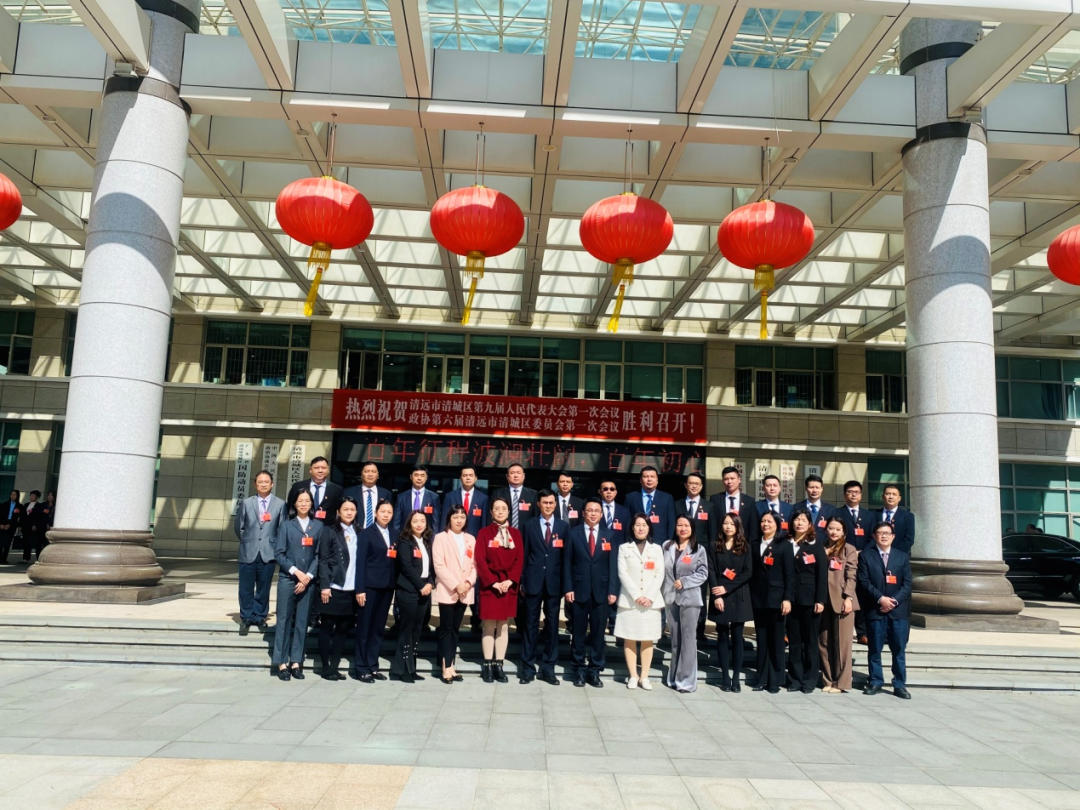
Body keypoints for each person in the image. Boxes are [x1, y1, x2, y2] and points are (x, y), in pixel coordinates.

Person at [564, 498, 618, 687]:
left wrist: (612, 590)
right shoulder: (573, 533)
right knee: (578, 632)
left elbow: (613, 565)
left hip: (601, 592)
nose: (593, 513)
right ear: (583, 513)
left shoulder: (609, 535)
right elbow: (567, 563)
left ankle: (595, 669)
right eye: (590, 510)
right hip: (578, 590)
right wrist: (568, 588)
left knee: (598, 633)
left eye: (597, 511)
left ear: (601, 515)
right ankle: (579, 669)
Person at [857, 521, 912, 699]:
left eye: (887, 533)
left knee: (898, 650)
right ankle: (875, 681)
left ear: (893, 536)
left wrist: (893, 601)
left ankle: (899, 684)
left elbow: (907, 584)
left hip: (898, 612)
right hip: (875, 609)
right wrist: (881, 599)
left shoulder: (902, 557)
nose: (884, 536)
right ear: (874, 536)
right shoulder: (866, 556)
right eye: (880, 533)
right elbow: (864, 581)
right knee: (875, 649)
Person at [272, 489, 323, 681]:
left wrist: (307, 576)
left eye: (307, 501)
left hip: (308, 581)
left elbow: (319, 555)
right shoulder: (286, 525)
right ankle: (281, 662)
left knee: (302, 622)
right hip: (288, 579)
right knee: (284, 620)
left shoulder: (318, 526)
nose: (303, 504)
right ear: (294, 503)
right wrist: (297, 572)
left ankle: (296, 661)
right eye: (300, 501)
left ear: (311, 504)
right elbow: (279, 554)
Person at [519, 489, 568, 685]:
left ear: (555, 505)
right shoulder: (529, 525)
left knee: (552, 626)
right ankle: (527, 668)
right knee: (530, 625)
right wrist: (522, 580)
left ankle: (548, 668)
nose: (548, 506)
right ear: (538, 504)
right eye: (545, 502)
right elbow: (524, 554)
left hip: (554, 583)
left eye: (551, 503)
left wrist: (565, 584)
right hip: (533, 581)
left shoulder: (563, 526)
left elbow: (565, 558)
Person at [475, 496, 523, 683]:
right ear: (491, 512)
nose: (500, 511)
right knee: (488, 625)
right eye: (496, 508)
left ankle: (499, 664)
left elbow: (519, 559)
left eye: (504, 508)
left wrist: (510, 581)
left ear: (509, 511)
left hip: (508, 586)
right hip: (490, 586)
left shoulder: (515, 534)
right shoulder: (484, 533)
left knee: (503, 626)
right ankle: (488, 664)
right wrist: (493, 582)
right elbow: (480, 559)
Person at [233, 470, 286, 634]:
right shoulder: (247, 503)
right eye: (260, 482)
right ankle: (246, 617)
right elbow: (239, 526)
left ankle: (260, 616)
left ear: (272, 484)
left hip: (268, 552)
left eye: (266, 482)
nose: (263, 484)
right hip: (248, 551)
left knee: (264, 587)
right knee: (245, 587)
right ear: (255, 484)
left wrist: (276, 547)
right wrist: (248, 541)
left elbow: (282, 529)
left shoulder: (280, 504)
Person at [615, 514, 664, 689]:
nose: (641, 528)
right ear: (632, 527)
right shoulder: (624, 548)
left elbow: (660, 574)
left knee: (647, 639)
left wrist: (649, 596)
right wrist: (637, 595)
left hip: (651, 602)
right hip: (629, 601)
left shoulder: (657, 549)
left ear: (649, 528)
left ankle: (644, 676)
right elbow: (623, 573)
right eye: (637, 525)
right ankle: (633, 675)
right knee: (629, 638)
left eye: (644, 525)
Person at [662, 515, 709, 693]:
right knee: (675, 640)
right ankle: (674, 677)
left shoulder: (698, 549)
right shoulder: (666, 546)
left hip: (690, 599)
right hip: (671, 598)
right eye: (679, 525)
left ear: (692, 528)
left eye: (686, 525)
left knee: (688, 641)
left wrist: (685, 581)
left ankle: (686, 681)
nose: (683, 528)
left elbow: (703, 573)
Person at [749, 510, 794, 693]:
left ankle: (775, 680)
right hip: (758, 598)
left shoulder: (784, 545)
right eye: (763, 521)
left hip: (777, 598)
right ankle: (761, 678)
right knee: (762, 639)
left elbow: (789, 574)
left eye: (770, 521)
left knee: (776, 640)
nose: (765, 524)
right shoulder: (754, 544)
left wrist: (787, 598)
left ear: (777, 524)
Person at [317, 496, 360, 680]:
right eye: (345, 509)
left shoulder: (359, 531)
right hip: (333, 586)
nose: (349, 512)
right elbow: (323, 559)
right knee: (327, 626)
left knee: (343, 629)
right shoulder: (329, 531)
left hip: (350, 588)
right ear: (338, 512)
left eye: (352, 509)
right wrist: (325, 585)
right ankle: (325, 667)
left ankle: (334, 666)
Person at [352, 499, 396, 682]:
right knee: (364, 628)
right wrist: (360, 589)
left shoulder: (394, 533)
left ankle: (373, 665)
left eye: (389, 512)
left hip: (387, 587)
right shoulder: (366, 534)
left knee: (378, 629)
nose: (386, 515)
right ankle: (361, 667)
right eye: (383, 511)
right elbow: (360, 563)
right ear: (376, 513)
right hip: (369, 588)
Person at [786, 507, 828, 694]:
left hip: (810, 600)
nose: (799, 523)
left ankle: (809, 680)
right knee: (794, 641)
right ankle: (794, 679)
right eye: (797, 519)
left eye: (803, 520)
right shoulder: (786, 543)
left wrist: (820, 600)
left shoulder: (815, 545)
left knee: (810, 641)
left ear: (810, 524)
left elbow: (822, 575)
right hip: (790, 599)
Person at [432, 505, 475, 684]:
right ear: (449, 518)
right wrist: (456, 585)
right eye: (455, 517)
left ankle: (451, 664)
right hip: (448, 590)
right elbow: (439, 565)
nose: (459, 520)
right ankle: (446, 666)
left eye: (462, 517)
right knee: (446, 628)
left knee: (455, 628)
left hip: (464, 591)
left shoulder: (470, 539)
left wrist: (467, 583)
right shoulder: (440, 538)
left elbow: (475, 566)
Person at [709, 512, 752, 692]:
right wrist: (717, 595)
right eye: (725, 523)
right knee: (722, 635)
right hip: (719, 595)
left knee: (737, 637)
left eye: (732, 524)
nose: (728, 527)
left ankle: (736, 678)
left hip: (737, 594)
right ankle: (725, 677)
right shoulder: (714, 545)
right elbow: (711, 571)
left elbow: (748, 572)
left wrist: (727, 588)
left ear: (737, 527)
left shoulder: (745, 546)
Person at [391, 510, 436, 683]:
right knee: (406, 630)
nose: (419, 524)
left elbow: (431, 567)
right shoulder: (405, 541)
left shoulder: (426, 541)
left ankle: (412, 668)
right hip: (409, 590)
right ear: (409, 523)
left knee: (417, 630)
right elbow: (406, 567)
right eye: (415, 521)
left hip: (424, 590)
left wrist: (430, 583)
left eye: (422, 521)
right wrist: (421, 585)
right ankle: (401, 670)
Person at [676, 472, 718, 641]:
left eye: (697, 483)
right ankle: (680, 628)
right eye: (690, 483)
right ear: (686, 485)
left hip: (701, 555)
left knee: (699, 592)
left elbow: (712, 534)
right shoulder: (677, 505)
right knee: (680, 589)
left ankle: (699, 630)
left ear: (701, 486)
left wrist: (710, 556)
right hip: (680, 555)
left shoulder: (709, 507)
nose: (693, 486)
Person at [819, 515, 858, 693]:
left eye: (837, 529)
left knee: (842, 644)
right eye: (831, 528)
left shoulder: (848, 549)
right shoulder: (820, 547)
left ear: (843, 532)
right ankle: (828, 679)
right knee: (824, 641)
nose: (833, 532)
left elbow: (851, 575)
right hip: (822, 600)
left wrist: (849, 597)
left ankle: (841, 683)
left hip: (842, 600)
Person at [838, 479, 873, 644]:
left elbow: (873, 537)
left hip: (864, 560)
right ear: (845, 494)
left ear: (861, 495)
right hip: (843, 558)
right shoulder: (837, 513)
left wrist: (863, 553)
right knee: (844, 591)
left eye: (856, 492)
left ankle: (862, 632)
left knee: (861, 594)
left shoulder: (869, 515)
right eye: (850, 492)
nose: (853, 495)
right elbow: (835, 534)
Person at [625, 466, 676, 544]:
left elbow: (671, 523)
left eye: (652, 477)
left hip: (660, 543)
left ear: (657, 480)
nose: (649, 479)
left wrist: (668, 542)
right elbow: (626, 522)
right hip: (635, 542)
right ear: (640, 480)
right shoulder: (630, 497)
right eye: (646, 477)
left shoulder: (667, 498)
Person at [286, 456, 343, 523]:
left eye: (323, 468)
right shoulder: (298, 487)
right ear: (310, 470)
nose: (320, 471)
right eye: (316, 468)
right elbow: (290, 507)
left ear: (328, 470)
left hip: (326, 527)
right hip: (301, 526)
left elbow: (339, 512)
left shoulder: (336, 490)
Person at [709, 466, 758, 544]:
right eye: (726, 479)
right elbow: (712, 525)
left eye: (732, 478)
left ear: (739, 480)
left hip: (742, 544)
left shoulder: (749, 501)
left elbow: (753, 528)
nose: (729, 482)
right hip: (721, 544)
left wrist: (751, 546)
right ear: (723, 481)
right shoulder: (715, 499)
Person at [392, 465, 441, 539]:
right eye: (416, 475)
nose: (419, 478)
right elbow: (396, 522)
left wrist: (434, 540)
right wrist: (396, 539)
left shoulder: (434, 497)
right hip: (405, 538)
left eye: (422, 475)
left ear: (426, 478)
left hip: (426, 538)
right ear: (411, 477)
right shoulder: (401, 497)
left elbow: (435, 523)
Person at [441, 466, 488, 538]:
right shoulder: (450, 496)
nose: (468, 478)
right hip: (453, 536)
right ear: (460, 478)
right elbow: (444, 520)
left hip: (474, 537)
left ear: (475, 478)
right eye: (465, 475)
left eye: (471, 475)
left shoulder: (483, 498)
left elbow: (484, 523)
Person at [342, 461, 392, 530]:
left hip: (378, 533)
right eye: (367, 471)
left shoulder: (386, 494)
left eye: (373, 472)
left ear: (377, 475)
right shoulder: (349, 492)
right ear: (361, 474)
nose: (370, 474)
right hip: (354, 532)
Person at [493, 463, 537, 533]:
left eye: (518, 473)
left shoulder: (533, 495)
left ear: (523, 476)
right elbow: (491, 516)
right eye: (512, 473)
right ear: (507, 476)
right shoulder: (497, 494)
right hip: (502, 533)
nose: (516, 475)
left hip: (526, 534)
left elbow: (536, 518)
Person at [877, 485, 915, 554]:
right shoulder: (874, 514)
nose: (891, 497)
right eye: (888, 494)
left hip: (899, 555)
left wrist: (892, 554)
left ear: (899, 498)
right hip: (876, 555)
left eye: (894, 494)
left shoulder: (907, 516)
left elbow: (909, 539)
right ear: (883, 497)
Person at [803, 474, 836, 543]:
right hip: (802, 545)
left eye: (817, 487)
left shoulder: (831, 510)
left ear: (822, 489)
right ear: (806, 488)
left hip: (824, 546)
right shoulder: (796, 507)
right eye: (811, 487)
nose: (814, 490)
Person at [598, 479, 631, 547]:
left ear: (616, 492)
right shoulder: (595, 510)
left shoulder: (624, 511)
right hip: (598, 548)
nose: (609, 492)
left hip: (618, 549)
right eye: (605, 489)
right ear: (600, 492)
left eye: (612, 489)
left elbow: (627, 534)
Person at [20, 490, 48, 562]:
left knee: (36, 543)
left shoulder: (39, 506)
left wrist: (34, 524)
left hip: (34, 527)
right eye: (31, 495)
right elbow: (22, 515)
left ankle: (38, 558)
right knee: (26, 542)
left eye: (33, 496)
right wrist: (20, 525)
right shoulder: (26, 504)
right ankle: (26, 558)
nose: (31, 497)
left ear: (37, 497)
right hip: (25, 526)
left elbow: (38, 516)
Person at [0, 490, 21, 564]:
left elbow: (18, 518)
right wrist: (1, 524)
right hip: (2, 524)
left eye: (14, 494)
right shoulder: (4, 504)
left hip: (11, 525)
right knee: (0, 541)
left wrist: (10, 524)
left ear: (17, 496)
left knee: (7, 543)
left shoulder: (19, 506)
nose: (12, 496)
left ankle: (4, 559)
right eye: (11, 494)